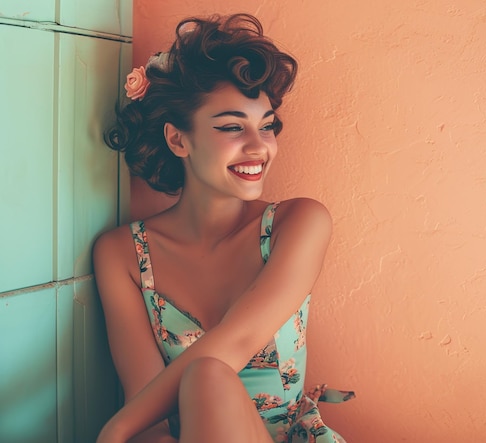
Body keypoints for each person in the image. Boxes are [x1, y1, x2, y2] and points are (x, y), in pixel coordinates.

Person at [93, 13, 353, 443]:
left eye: (266, 125)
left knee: (207, 376)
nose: (259, 146)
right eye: (233, 126)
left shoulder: (298, 222)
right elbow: (147, 409)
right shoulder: (122, 253)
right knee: (203, 380)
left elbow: (238, 340)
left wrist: (114, 431)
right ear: (179, 140)